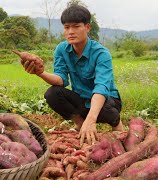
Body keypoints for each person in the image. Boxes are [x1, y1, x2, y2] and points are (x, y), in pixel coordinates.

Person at [20, 4, 123, 145]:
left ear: (87, 28)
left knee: (104, 106)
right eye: (67, 27)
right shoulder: (62, 49)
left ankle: (117, 125)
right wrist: (40, 73)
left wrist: (91, 120)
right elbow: (60, 80)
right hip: (82, 99)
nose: (70, 32)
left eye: (76, 26)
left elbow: (101, 87)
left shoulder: (101, 53)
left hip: (106, 101)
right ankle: (81, 125)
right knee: (52, 93)